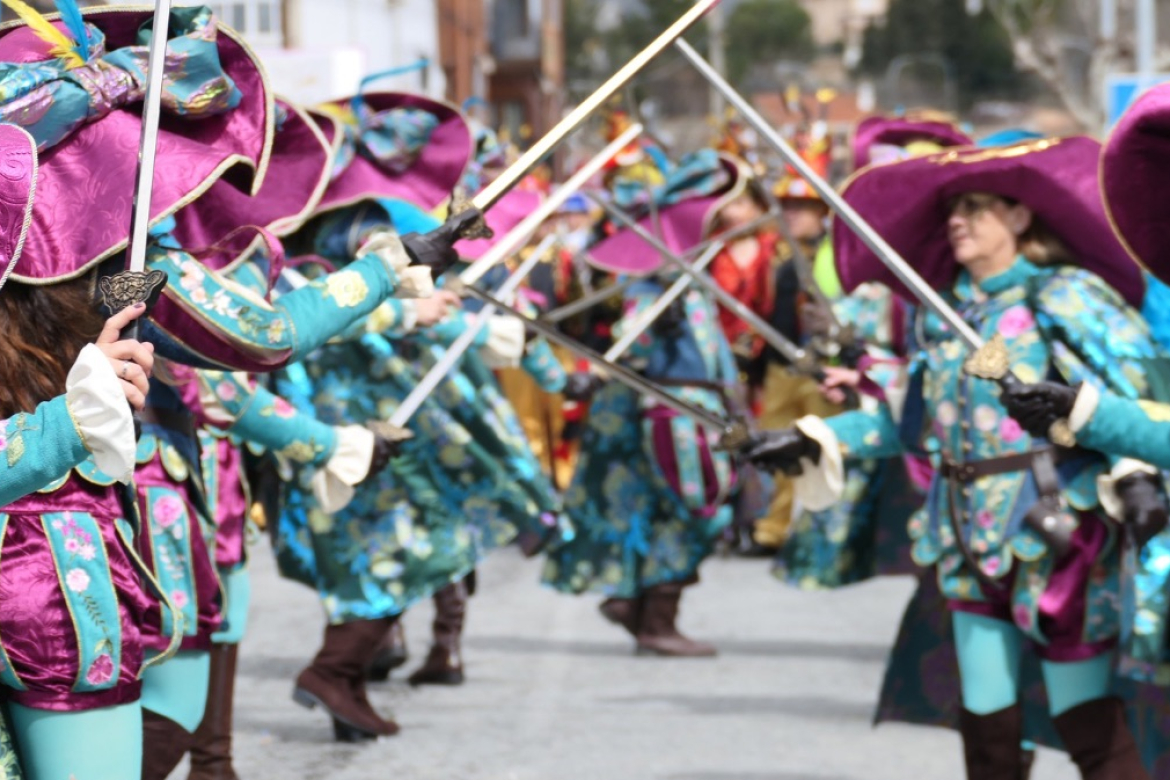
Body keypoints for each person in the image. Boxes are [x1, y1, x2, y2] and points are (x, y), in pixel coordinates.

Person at [748, 136, 1156, 779]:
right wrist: (814, 437)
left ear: (1020, 217)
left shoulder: (1065, 295)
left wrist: (1138, 479)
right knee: (986, 719)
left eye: (975, 206)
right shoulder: (941, 316)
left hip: (1057, 528)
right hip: (964, 531)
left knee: (1088, 721)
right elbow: (907, 421)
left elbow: (1140, 398)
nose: (957, 220)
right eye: (951, 210)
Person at [542, 151, 741, 657]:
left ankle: (638, 605)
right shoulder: (656, 283)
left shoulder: (689, 275)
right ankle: (654, 618)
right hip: (670, 410)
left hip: (688, 405)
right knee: (691, 510)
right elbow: (633, 343)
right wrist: (652, 328)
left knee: (668, 510)